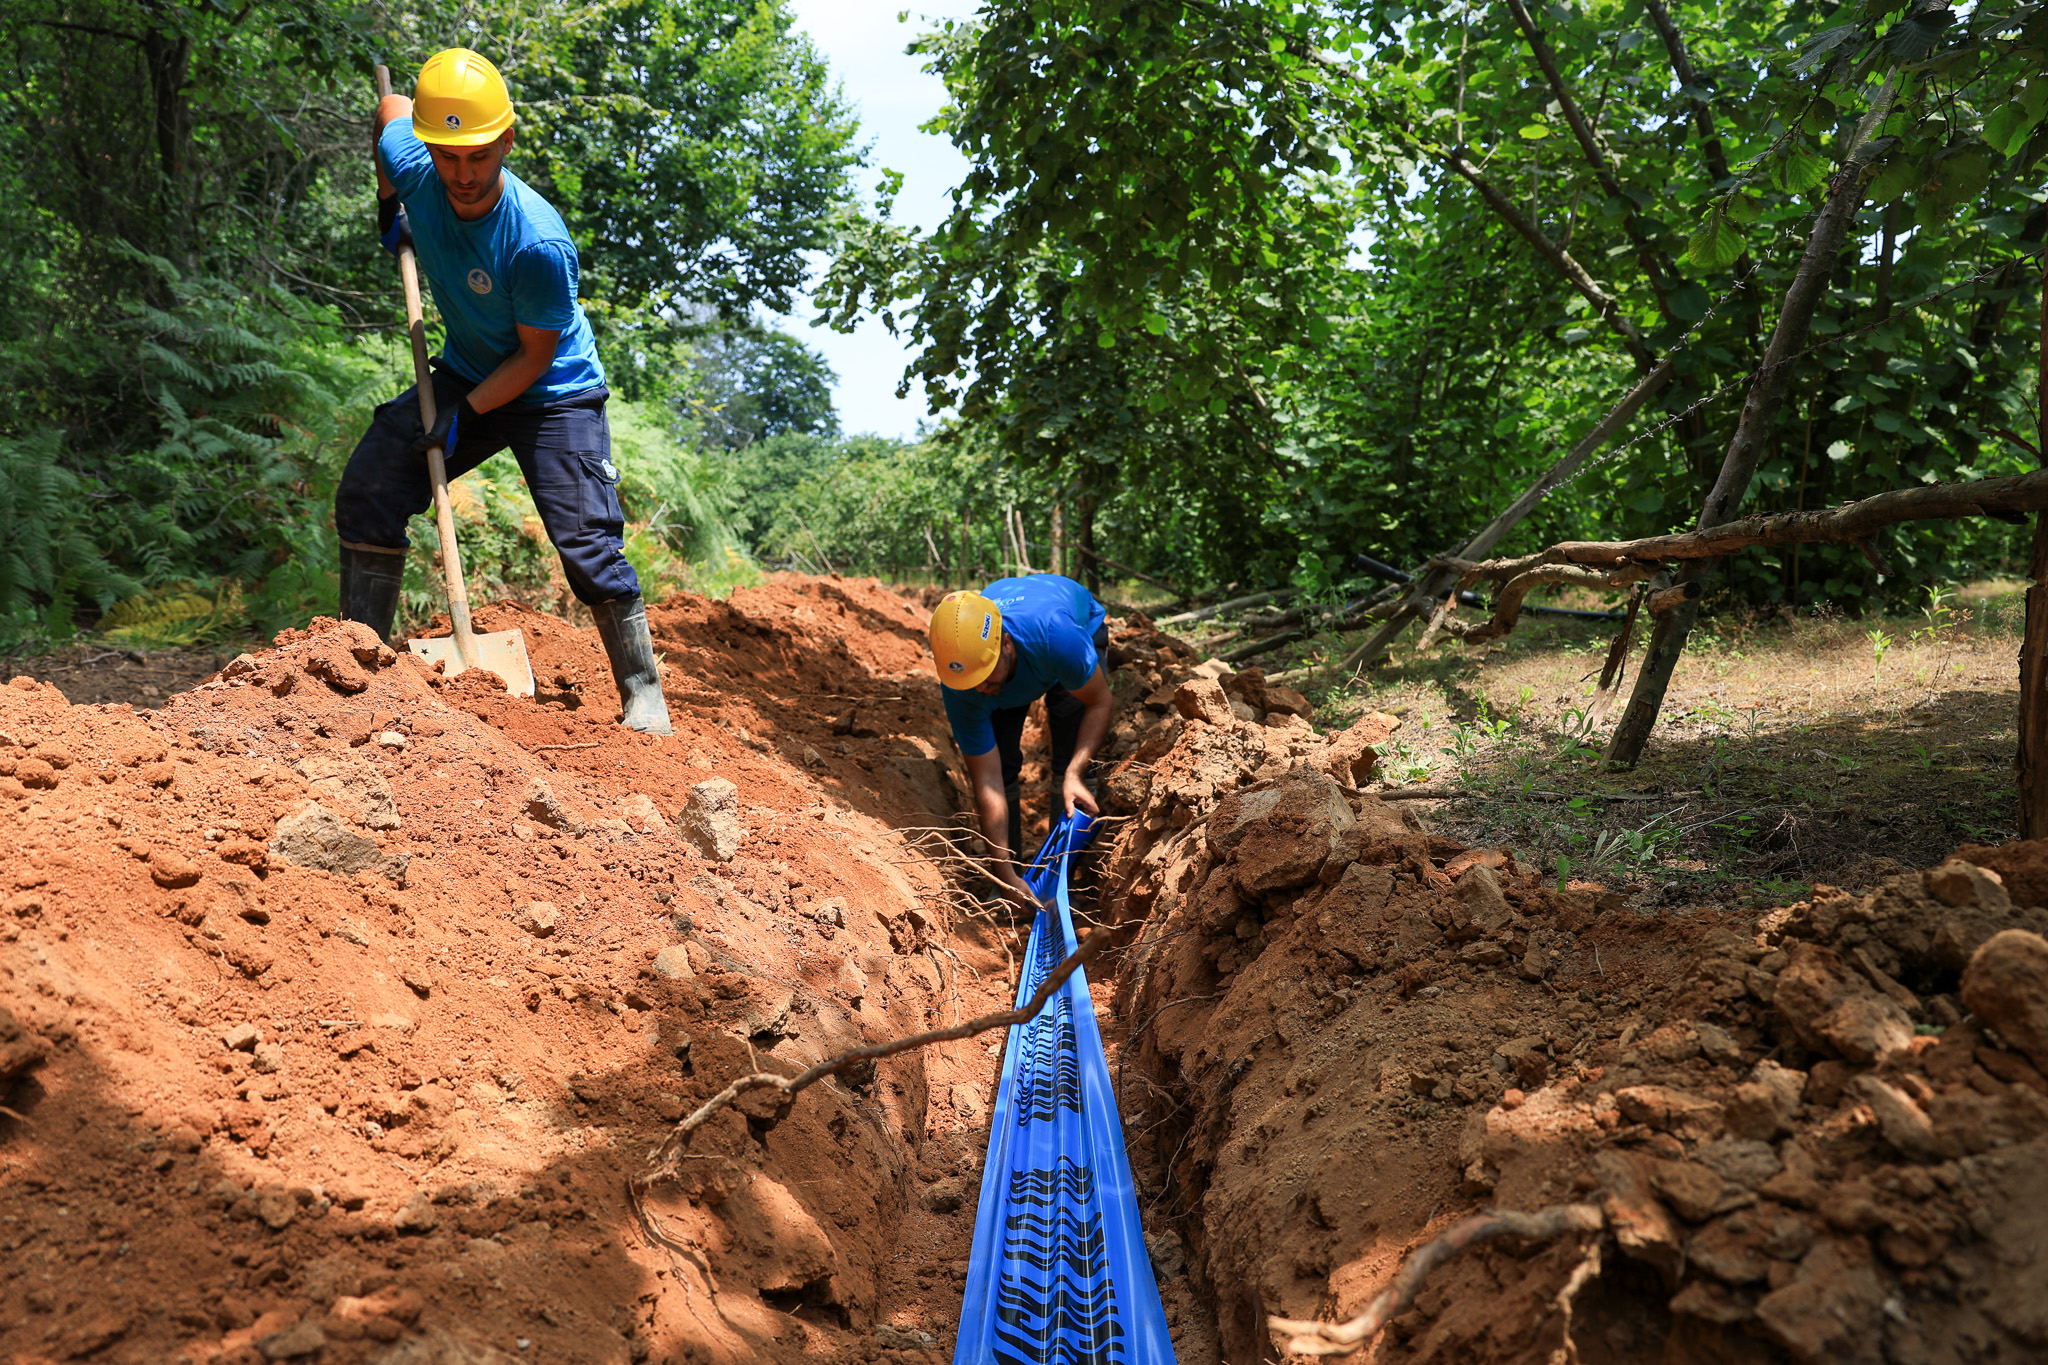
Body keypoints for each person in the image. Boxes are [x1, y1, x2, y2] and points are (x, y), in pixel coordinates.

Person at [335, 48, 671, 736]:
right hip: (469, 365)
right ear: (429, 148)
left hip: (553, 390)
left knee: (586, 542)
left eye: (480, 156)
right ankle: (355, 668)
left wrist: (463, 414)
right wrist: (389, 205)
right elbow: (390, 109)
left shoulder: (537, 242)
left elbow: (535, 355)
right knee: (371, 485)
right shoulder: (414, 164)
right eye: (448, 156)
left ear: (507, 142)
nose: (463, 175)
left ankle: (643, 692)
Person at [930, 576, 1113, 909]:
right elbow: (988, 781)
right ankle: (1012, 882)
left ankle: (1061, 881)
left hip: (1063, 641)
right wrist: (1004, 877)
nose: (980, 688)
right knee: (1003, 767)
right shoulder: (962, 685)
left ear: (1007, 644)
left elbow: (1099, 702)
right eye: (971, 682)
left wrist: (1074, 772)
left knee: (1070, 757)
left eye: (985, 676)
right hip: (1025, 663)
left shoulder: (1057, 636)